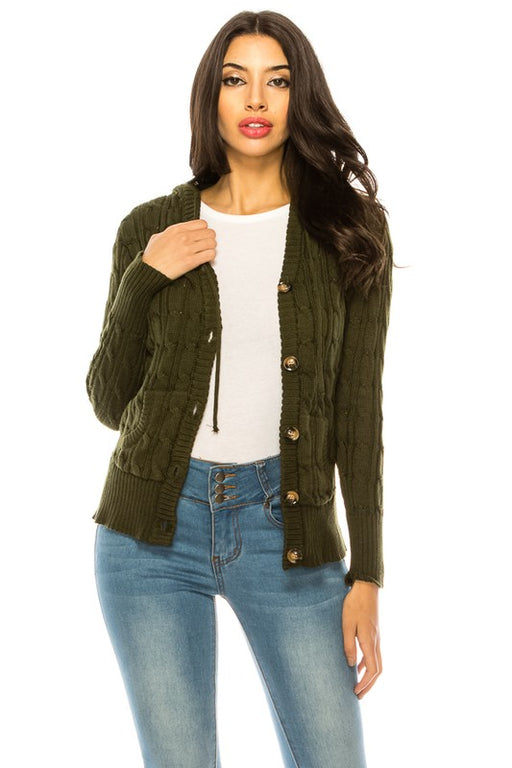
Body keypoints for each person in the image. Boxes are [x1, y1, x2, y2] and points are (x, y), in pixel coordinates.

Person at [86, 10, 394, 768]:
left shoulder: (348, 230)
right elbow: (108, 401)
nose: (256, 99)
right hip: (150, 534)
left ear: (299, 96)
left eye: (277, 81)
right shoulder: (150, 227)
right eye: (235, 79)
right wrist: (144, 278)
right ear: (211, 96)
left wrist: (366, 574)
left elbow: (358, 412)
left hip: (288, 530)